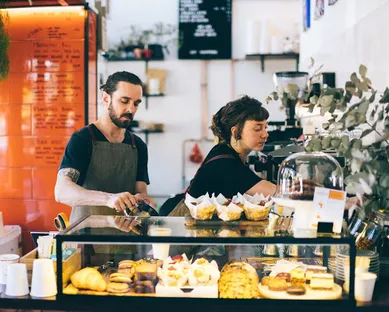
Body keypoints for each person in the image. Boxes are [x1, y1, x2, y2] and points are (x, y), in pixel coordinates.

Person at [54, 71, 152, 224]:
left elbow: (140, 192)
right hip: (86, 238)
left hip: (127, 239)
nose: (131, 109)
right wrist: (109, 199)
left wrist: (141, 200)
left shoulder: (138, 146)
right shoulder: (82, 139)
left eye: (136, 103)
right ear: (106, 98)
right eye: (124, 101)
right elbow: (62, 192)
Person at [169, 95, 276, 217]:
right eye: (257, 129)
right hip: (185, 227)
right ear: (235, 132)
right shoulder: (224, 163)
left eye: (265, 127)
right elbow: (274, 193)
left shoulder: (225, 150)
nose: (265, 134)